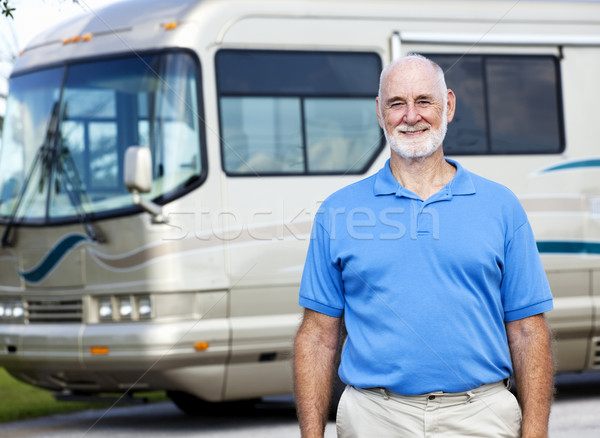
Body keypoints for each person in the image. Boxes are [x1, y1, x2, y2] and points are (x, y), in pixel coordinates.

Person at [293, 54, 554, 438]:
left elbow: (529, 332)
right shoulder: (339, 211)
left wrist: (535, 432)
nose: (410, 116)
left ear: (447, 105)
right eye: (396, 103)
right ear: (379, 112)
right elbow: (316, 336)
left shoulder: (500, 206)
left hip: (481, 416)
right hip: (374, 419)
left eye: (423, 101)